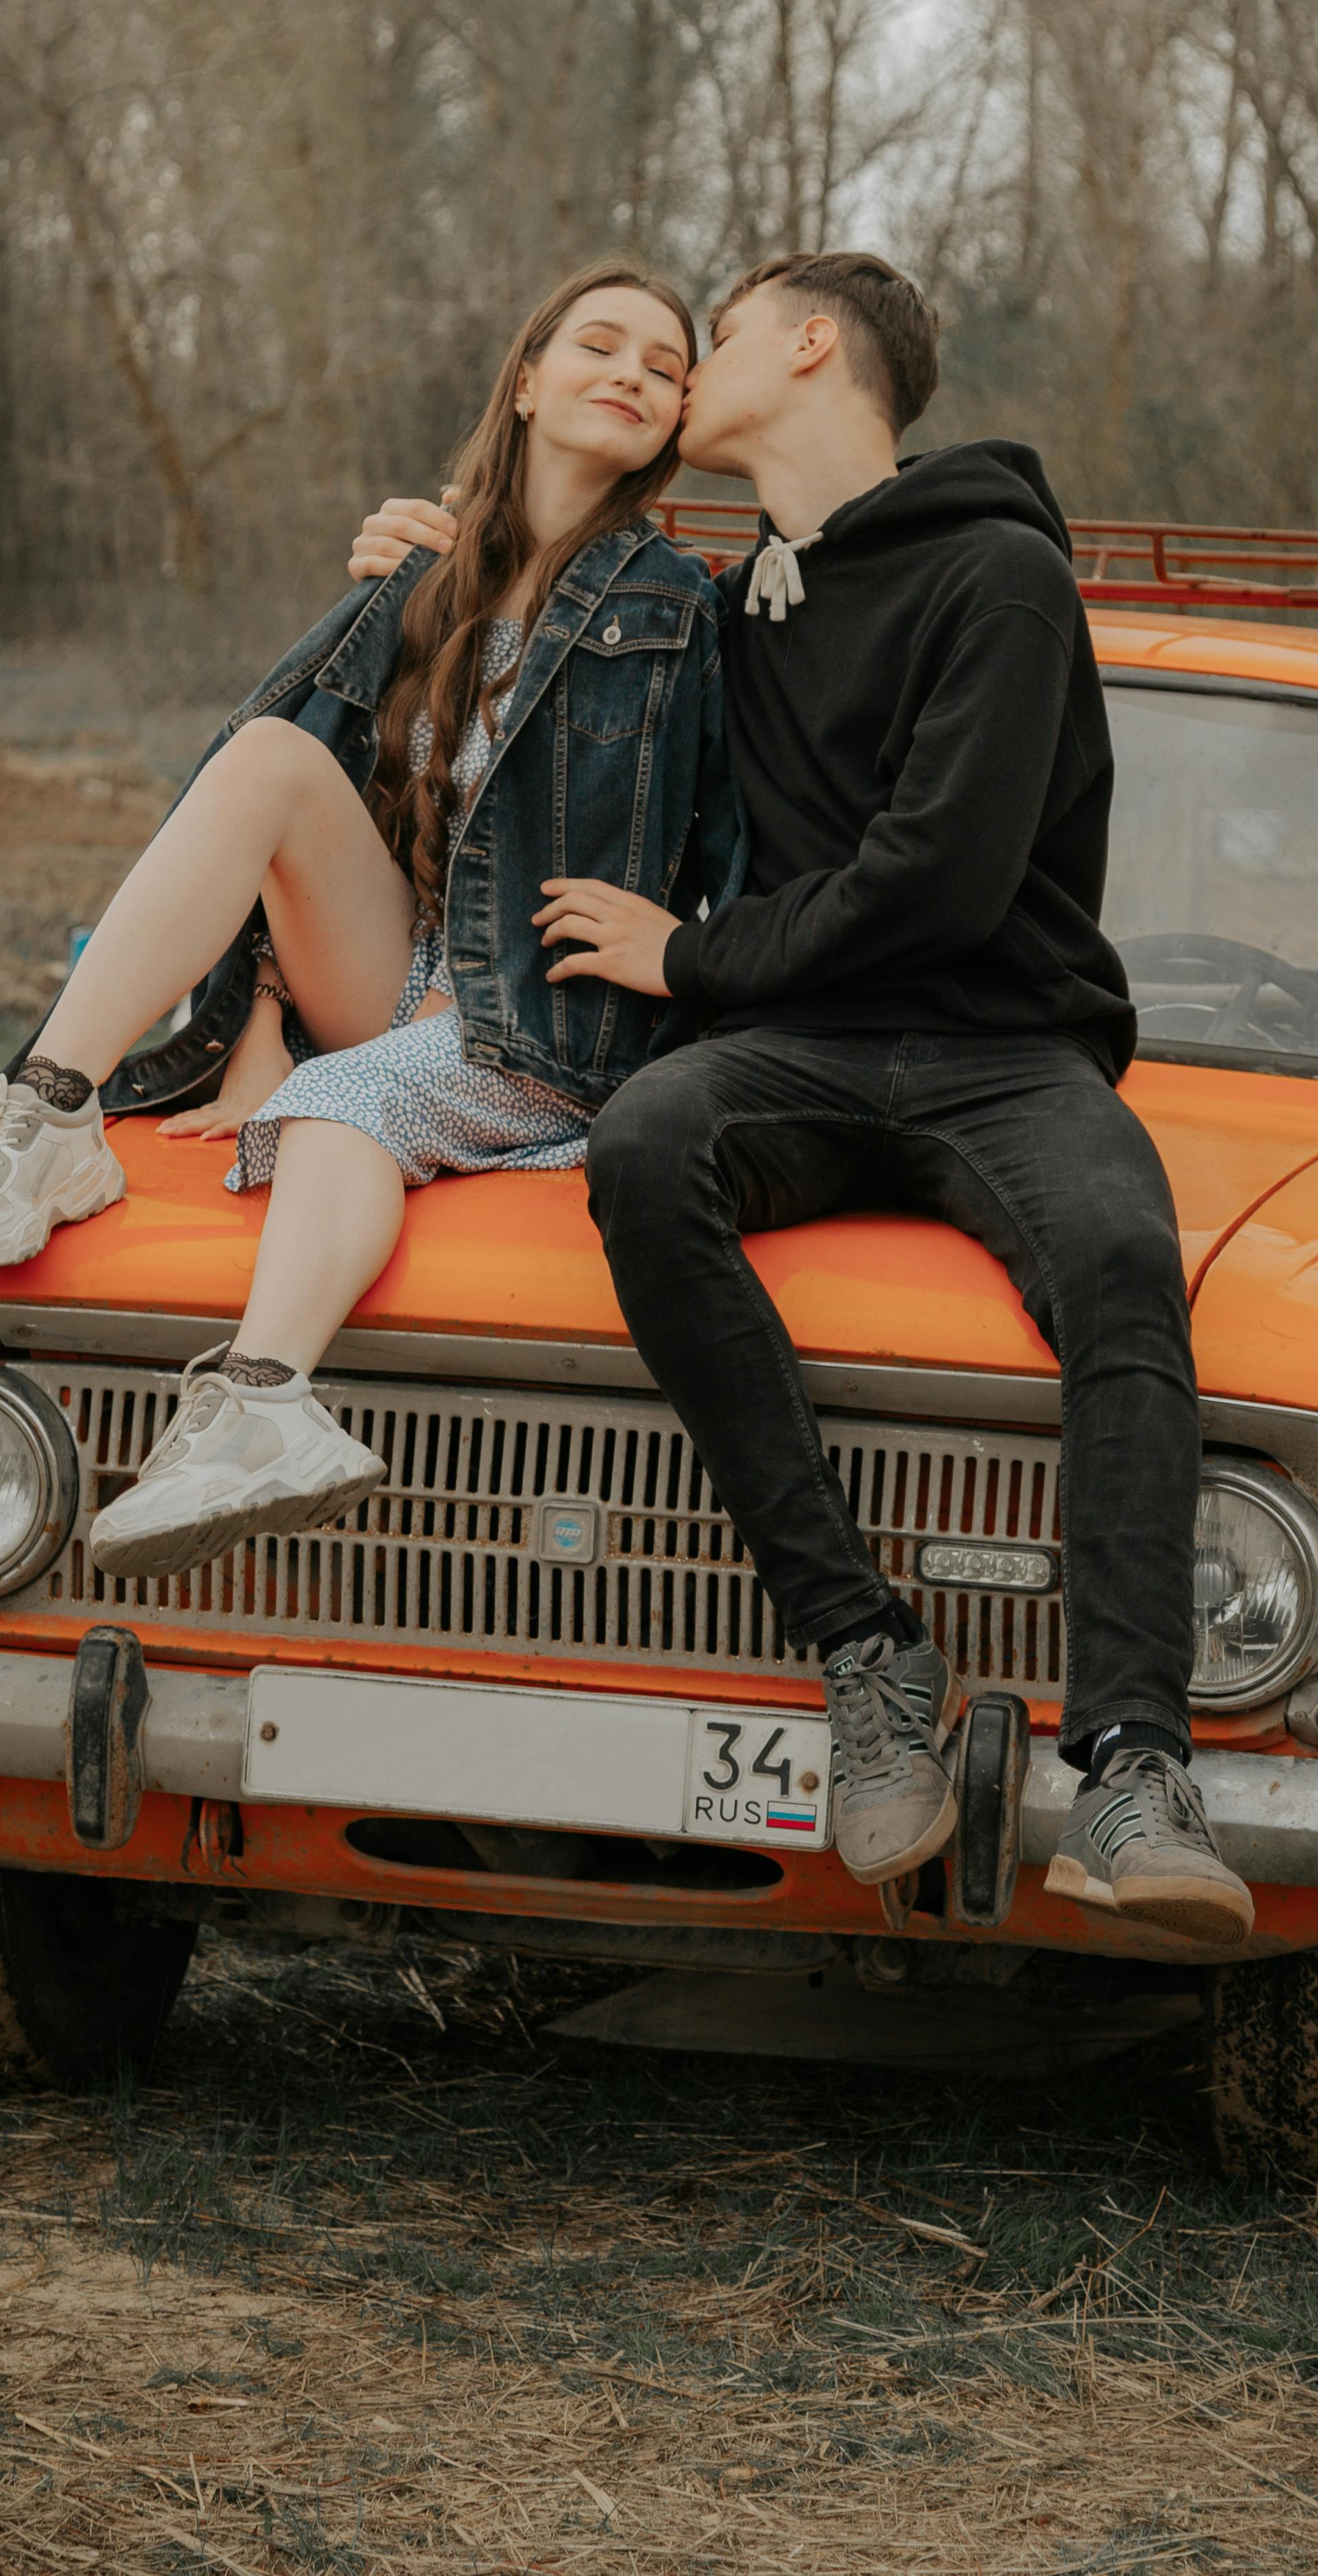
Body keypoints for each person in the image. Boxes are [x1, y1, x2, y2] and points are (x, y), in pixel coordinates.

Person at [354, 250, 1253, 1940]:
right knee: (645, 1146)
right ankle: (864, 1647)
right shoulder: (743, 589)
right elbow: (561, 635)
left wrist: (691, 960)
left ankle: (1134, 1762)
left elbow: (941, 880)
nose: (684, 375)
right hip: (808, 1055)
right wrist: (433, 562)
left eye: (725, 334)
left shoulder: (999, 578)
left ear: (813, 344)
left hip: (1004, 1047)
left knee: (1131, 1259)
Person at [0, 260, 743, 1583]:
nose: (632, 372)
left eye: (666, 364)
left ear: (680, 419)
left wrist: (688, 950)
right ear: (525, 380)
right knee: (268, 766)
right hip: (397, 977)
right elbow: (320, 814)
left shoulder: (681, 601)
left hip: (546, 1017)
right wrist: (264, 1030)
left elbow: (736, 833)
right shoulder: (426, 575)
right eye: (600, 344)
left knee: (344, 1107)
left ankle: (262, 1399)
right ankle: (51, 1106)